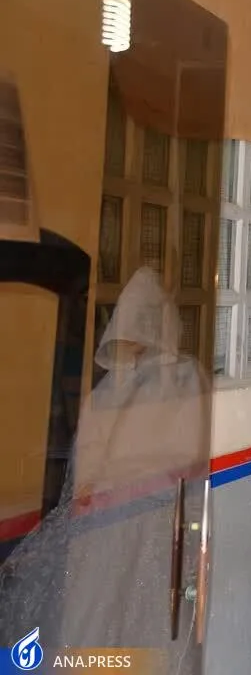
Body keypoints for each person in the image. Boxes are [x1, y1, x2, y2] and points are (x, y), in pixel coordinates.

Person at [0, 268, 210, 669]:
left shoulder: (183, 378)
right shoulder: (109, 388)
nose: (130, 336)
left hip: (154, 519)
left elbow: (189, 448)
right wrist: (94, 487)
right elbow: (89, 450)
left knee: (143, 608)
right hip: (103, 521)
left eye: (138, 323)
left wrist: (125, 477)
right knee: (96, 607)